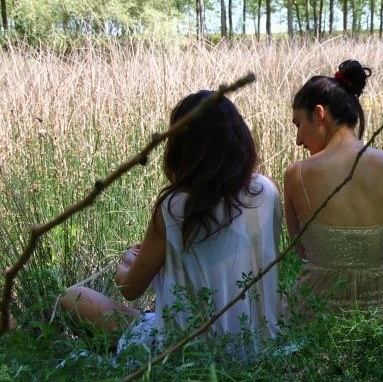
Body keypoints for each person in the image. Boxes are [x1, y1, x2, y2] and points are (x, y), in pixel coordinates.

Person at [60, 90, 282, 357]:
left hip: (186, 353)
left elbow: (129, 289)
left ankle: (119, 355)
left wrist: (128, 261)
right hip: (260, 347)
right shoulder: (268, 191)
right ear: (240, 140)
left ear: (182, 148)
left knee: (72, 297)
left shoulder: (174, 207)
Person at [283, 59, 383, 315]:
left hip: (317, 316)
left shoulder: (295, 175)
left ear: (319, 113)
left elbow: (302, 252)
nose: (298, 140)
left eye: (298, 124)